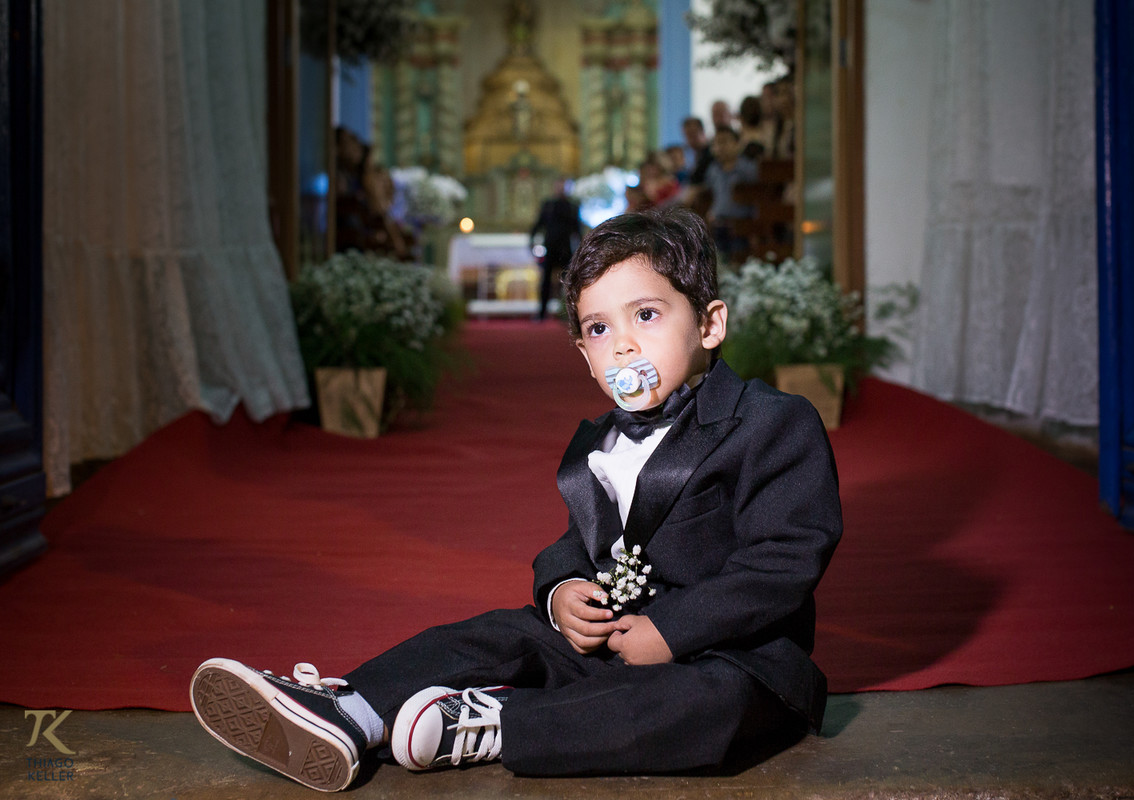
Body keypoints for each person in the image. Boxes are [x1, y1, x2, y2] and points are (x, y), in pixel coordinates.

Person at [188, 206, 842, 791]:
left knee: (705, 709)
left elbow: (782, 560)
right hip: (609, 643)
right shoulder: (601, 441)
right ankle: (350, 709)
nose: (623, 343)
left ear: (709, 324)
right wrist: (561, 594)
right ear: (584, 358)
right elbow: (572, 545)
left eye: (646, 315)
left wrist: (674, 630)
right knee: (490, 632)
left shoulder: (770, 423)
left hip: (734, 657)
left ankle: (494, 723)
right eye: (596, 329)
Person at [529, 177, 583, 320]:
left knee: (569, 283)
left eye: (564, 186)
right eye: (559, 185)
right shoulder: (548, 205)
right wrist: (531, 241)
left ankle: (568, 315)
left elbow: (577, 230)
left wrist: (582, 249)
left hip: (566, 250)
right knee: (545, 281)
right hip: (550, 248)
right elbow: (538, 224)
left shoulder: (573, 206)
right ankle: (542, 313)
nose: (561, 188)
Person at [704, 125, 759, 259]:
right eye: (717, 143)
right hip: (717, 227)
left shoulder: (748, 169)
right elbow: (711, 195)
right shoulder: (713, 170)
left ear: (737, 144)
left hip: (741, 228)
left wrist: (755, 229)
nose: (720, 147)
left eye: (724, 141)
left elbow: (758, 198)